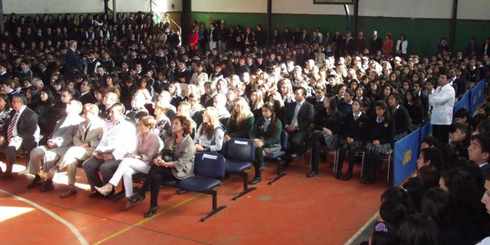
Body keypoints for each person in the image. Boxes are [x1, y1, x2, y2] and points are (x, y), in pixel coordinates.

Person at [95, 116, 161, 209]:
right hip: (138, 163)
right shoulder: (139, 136)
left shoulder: (154, 138)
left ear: (148, 126)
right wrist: (132, 154)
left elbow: (150, 157)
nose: (139, 127)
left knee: (126, 161)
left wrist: (137, 156)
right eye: (139, 125)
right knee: (127, 172)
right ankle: (129, 198)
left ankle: (110, 185)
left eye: (141, 125)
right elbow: (134, 150)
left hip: (149, 166)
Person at [138, 115, 196, 218]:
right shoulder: (171, 138)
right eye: (173, 123)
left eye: (176, 123)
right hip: (167, 167)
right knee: (156, 175)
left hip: (181, 171)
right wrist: (158, 158)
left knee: (156, 170)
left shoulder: (189, 143)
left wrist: (164, 164)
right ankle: (152, 205)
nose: (173, 125)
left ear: (183, 126)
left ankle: (143, 193)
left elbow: (181, 163)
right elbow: (163, 151)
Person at [27, 100, 84, 192]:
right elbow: (54, 133)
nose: (67, 105)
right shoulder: (62, 119)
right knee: (35, 152)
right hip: (53, 144)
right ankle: (39, 175)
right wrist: (50, 140)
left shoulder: (80, 121)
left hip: (67, 147)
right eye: (68, 104)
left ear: (77, 109)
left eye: (70, 104)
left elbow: (74, 138)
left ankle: (48, 181)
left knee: (49, 154)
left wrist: (56, 143)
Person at [82, 103, 137, 197]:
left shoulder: (128, 126)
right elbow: (103, 141)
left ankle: (109, 191)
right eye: (109, 112)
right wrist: (97, 152)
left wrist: (113, 155)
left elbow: (129, 146)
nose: (110, 114)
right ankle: (97, 188)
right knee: (88, 164)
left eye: (112, 112)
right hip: (104, 153)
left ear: (120, 113)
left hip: (118, 156)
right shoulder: (109, 125)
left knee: (105, 167)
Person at [57, 103, 105, 198]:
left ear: (93, 113)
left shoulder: (101, 124)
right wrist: (81, 145)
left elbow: (102, 141)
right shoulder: (82, 124)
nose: (83, 114)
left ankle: (59, 166)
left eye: (86, 112)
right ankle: (71, 187)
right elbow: (76, 137)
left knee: (73, 151)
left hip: (93, 150)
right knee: (71, 160)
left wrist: (89, 144)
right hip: (81, 149)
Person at [0, 95, 39, 177]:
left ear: (21, 102)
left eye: (14, 102)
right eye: (12, 102)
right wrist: (3, 136)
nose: (12, 104)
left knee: (10, 147)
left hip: (23, 139)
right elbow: (6, 126)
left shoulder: (31, 114)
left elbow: (30, 133)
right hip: (10, 137)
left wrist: (15, 139)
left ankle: (8, 171)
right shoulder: (13, 112)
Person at [308, 98, 342, 178]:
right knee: (316, 140)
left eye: (326, 101)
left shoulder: (338, 114)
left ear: (331, 103)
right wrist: (323, 129)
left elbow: (339, 129)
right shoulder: (321, 112)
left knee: (315, 138)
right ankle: (314, 169)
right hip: (321, 136)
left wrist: (331, 131)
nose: (324, 102)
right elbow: (314, 124)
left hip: (333, 137)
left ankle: (314, 170)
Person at [362, 101, 394, 184]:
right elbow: (368, 132)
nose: (377, 112)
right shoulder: (372, 119)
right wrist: (373, 140)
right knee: (368, 151)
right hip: (373, 142)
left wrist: (380, 141)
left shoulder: (390, 121)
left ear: (384, 110)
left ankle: (372, 176)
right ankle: (366, 175)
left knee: (375, 152)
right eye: (376, 109)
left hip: (385, 144)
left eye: (379, 110)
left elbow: (390, 137)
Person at [283, 87, 315, 167]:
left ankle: (295, 155)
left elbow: (309, 121)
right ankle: (287, 158)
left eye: (298, 94)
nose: (295, 96)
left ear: (303, 95)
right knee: (283, 138)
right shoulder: (291, 105)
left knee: (295, 141)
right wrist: (287, 125)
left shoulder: (309, 106)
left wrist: (297, 127)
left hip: (301, 129)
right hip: (289, 127)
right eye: (295, 94)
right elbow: (285, 117)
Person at [252, 103, 283, 184]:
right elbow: (252, 131)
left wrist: (263, 142)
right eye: (262, 111)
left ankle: (258, 175)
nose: (263, 113)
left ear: (271, 112)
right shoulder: (260, 120)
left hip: (273, 145)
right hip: (260, 142)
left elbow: (275, 139)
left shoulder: (277, 122)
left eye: (266, 111)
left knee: (257, 151)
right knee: (255, 149)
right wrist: (254, 139)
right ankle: (260, 165)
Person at [338, 100, 368, 180]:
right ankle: (339, 170)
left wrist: (354, 139)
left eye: (356, 104)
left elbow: (364, 134)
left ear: (360, 107)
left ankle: (350, 172)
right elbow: (344, 129)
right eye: (353, 104)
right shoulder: (348, 116)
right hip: (348, 138)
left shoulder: (364, 118)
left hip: (358, 140)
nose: (353, 106)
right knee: (343, 148)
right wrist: (347, 137)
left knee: (352, 149)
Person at [429, 73, 455, 144]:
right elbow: (431, 102)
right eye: (439, 77)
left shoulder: (450, 89)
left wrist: (434, 99)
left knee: (443, 142)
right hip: (435, 119)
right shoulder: (437, 88)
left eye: (443, 78)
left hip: (444, 121)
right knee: (435, 141)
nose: (440, 79)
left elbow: (440, 101)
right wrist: (434, 98)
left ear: (448, 80)